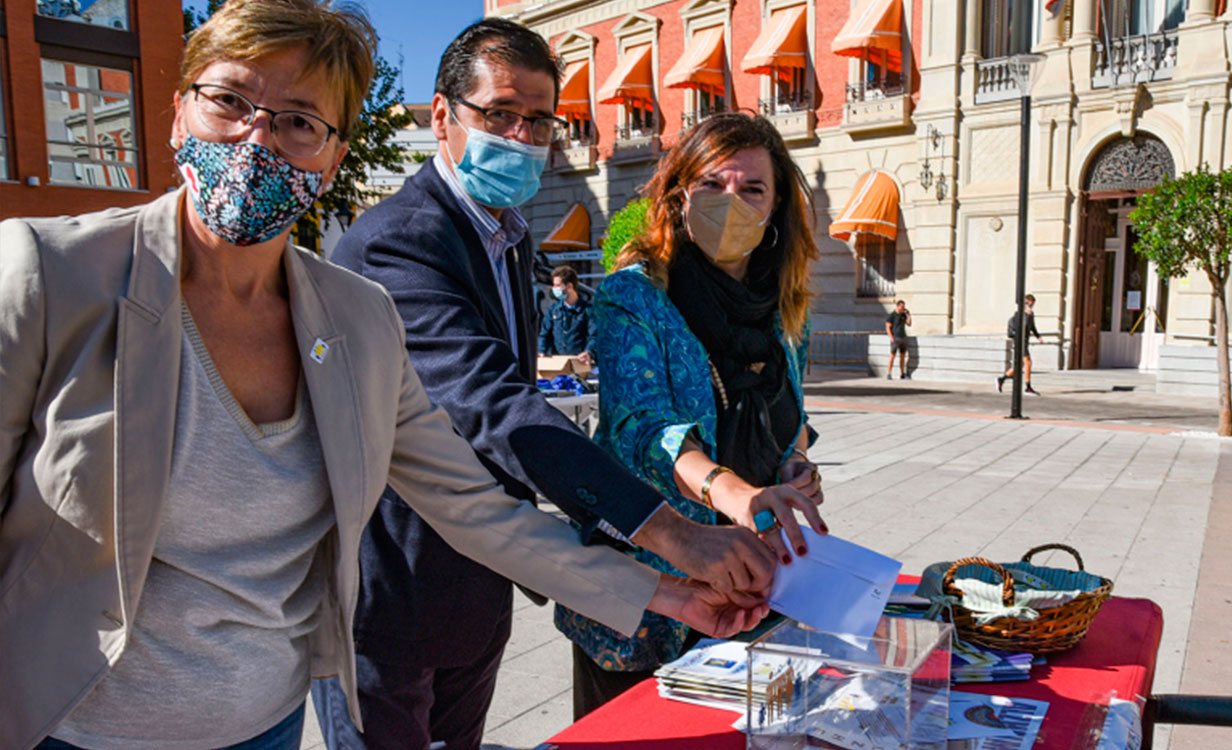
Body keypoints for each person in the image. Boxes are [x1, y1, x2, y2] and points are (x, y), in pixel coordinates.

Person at [0, 3, 767, 749]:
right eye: (230, 100)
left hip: (263, 722)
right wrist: (670, 530)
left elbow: (470, 502)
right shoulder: (48, 274)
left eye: (299, 121)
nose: (257, 138)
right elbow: (494, 405)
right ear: (178, 113)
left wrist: (662, 589)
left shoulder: (354, 317)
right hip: (72, 725)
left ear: (334, 156)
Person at [309, 18, 776, 750]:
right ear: (442, 116)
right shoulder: (400, 240)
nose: (522, 137)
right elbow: (497, 408)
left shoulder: (511, 235)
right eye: (499, 114)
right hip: (393, 593)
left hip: (483, 586)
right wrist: (675, 536)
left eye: (538, 120)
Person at [556, 113, 830, 719]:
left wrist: (795, 468)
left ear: (776, 208)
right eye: (712, 183)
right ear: (680, 196)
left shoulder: (787, 310)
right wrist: (733, 493)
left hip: (758, 583)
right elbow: (642, 429)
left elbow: (791, 420)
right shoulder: (634, 295)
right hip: (648, 591)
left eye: (752, 189)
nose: (731, 201)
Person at [539, 264, 597, 363]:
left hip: (580, 363)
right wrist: (541, 351)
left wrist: (588, 352)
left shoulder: (588, 310)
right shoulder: (554, 310)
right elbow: (544, 334)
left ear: (569, 286)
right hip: (558, 363)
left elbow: (595, 335)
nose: (554, 289)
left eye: (557, 285)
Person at [998, 294, 1042, 396]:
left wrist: (1038, 336)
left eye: (1032, 305)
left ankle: (1001, 379)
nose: (1030, 307)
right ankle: (1028, 387)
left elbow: (1032, 327)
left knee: (1019, 366)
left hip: (1025, 342)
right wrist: (1026, 315)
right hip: (1020, 343)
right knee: (1028, 363)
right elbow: (1016, 330)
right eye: (1028, 304)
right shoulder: (1018, 315)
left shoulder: (1030, 315)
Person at [885, 300, 912, 379]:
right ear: (897, 306)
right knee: (892, 356)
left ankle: (902, 374)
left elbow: (909, 324)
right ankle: (889, 373)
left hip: (903, 337)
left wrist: (909, 315)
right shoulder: (892, 316)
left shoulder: (903, 315)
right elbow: (888, 328)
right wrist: (891, 337)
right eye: (902, 307)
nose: (903, 308)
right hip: (895, 338)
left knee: (902, 356)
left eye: (904, 307)